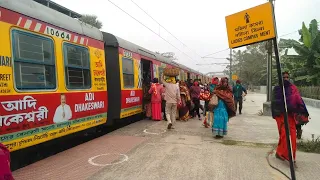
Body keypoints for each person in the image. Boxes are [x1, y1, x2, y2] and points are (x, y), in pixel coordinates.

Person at [271, 72, 309, 164]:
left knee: (291, 136)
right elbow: (275, 103)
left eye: (287, 77)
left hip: (291, 116)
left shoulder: (293, 88)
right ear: (281, 78)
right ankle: (281, 154)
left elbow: (299, 101)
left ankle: (290, 156)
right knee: (284, 135)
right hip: (281, 115)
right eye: (284, 77)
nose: (286, 79)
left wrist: (302, 113)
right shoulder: (277, 89)